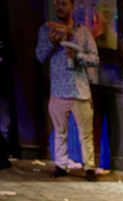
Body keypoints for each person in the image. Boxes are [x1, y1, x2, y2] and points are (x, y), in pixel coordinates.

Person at [36, 0, 99, 181]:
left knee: (86, 134)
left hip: (80, 91)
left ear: (72, 7)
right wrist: (52, 44)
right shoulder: (47, 29)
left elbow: (95, 59)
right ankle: (61, 165)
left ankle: (89, 168)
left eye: (64, 4)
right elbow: (40, 56)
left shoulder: (83, 31)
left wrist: (78, 55)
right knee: (60, 131)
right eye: (57, 4)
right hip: (59, 90)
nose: (60, 7)